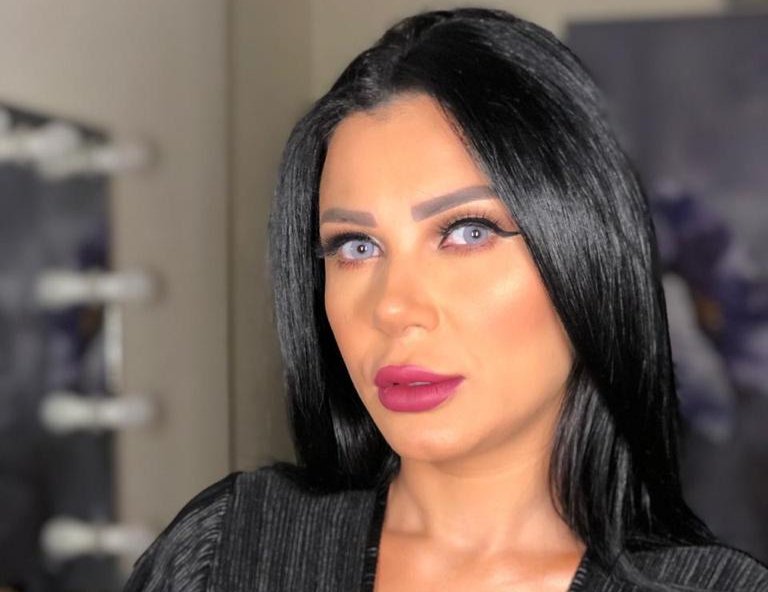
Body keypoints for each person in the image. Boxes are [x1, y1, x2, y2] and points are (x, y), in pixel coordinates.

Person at [124, 8, 768, 591]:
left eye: (467, 232)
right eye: (355, 246)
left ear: (587, 254)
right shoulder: (229, 551)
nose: (392, 307)